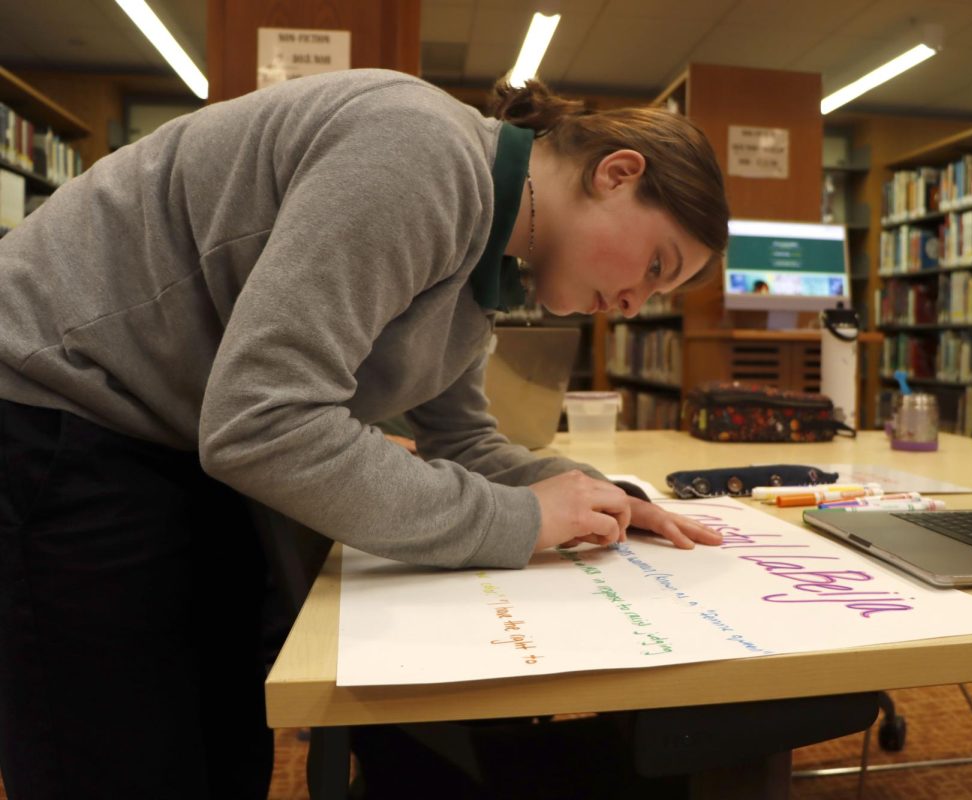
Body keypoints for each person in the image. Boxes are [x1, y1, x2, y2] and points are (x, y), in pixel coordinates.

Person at [0, 68, 729, 799]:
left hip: (164, 430)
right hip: (52, 405)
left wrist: (593, 495)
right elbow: (266, 424)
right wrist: (522, 517)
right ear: (617, 173)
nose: (635, 305)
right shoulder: (421, 155)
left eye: (658, 294)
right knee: (120, 763)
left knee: (225, 749)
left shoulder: (488, 258)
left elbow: (464, 441)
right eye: (655, 265)